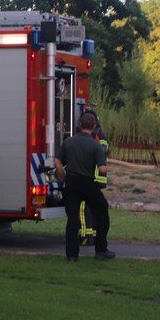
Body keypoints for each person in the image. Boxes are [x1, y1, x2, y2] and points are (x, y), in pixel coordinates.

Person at [54, 111, 115, 261]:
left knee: (72, 219)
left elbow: (57, 161)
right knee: (102, 213)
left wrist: (63, 175)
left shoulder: (69, 142)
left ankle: (71, 255)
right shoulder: (95, 146)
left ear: (80, 125)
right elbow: (102, 169)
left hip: (72, 183)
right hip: (88, 184)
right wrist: (105, 166)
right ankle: (101, 250)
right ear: (94, 126)